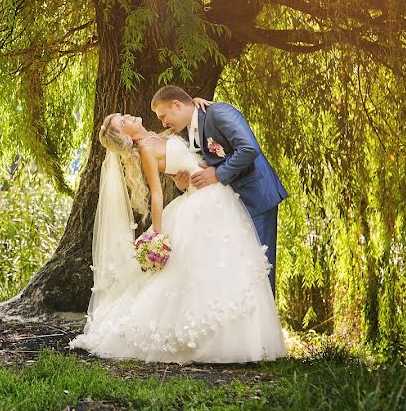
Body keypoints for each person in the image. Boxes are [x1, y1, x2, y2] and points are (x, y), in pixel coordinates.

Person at [68, 105, 286, 363]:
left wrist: (195, 103)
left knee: (226, 263)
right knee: (205, 268)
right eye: (123, 120)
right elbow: (157, 194)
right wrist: (156, 235)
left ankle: (244, 335)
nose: (129, 116)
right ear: (126, 135)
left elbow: (183, 156)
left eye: (124, 115)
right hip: (203, 200)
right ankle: (209, 340)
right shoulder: (147, 149)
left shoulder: (158, 135)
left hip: (213, 194)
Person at [151, 86, 287, 293]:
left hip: (255, 198)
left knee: (260, 265)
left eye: (163, 116)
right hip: (232, 204)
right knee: (241, 268)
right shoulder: (192, 128)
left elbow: (248, 148)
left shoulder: (218, 112)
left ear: (176, 105)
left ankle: (264, 324)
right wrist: (184, 182)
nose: (163, 123)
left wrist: (217, 174)